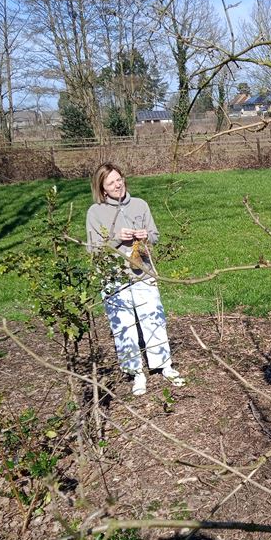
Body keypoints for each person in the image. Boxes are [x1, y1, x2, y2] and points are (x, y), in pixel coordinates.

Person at [86, 162, 184, 396]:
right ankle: (136, 373)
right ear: (102, 188)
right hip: (113, 275)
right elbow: (93, 249)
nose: (117, 184)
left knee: (153, 317)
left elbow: (155, 235)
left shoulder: (140, 204)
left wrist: (146, 235)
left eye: (118, 179)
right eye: (110, 182)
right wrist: (116, 237)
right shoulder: (95, 212)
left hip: (143, 271)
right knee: (124, 326)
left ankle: (164, 366)